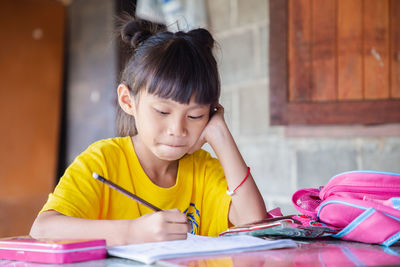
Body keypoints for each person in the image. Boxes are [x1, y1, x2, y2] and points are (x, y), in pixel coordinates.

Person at [30, 17, 267, 246]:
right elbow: (42, 230)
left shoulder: (204, 170)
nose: (177, 130)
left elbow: (255, 224)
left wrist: (220, 135)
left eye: (195, 116)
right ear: (127, 100)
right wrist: (133, 231)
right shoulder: (104, 161)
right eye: (163, 112)